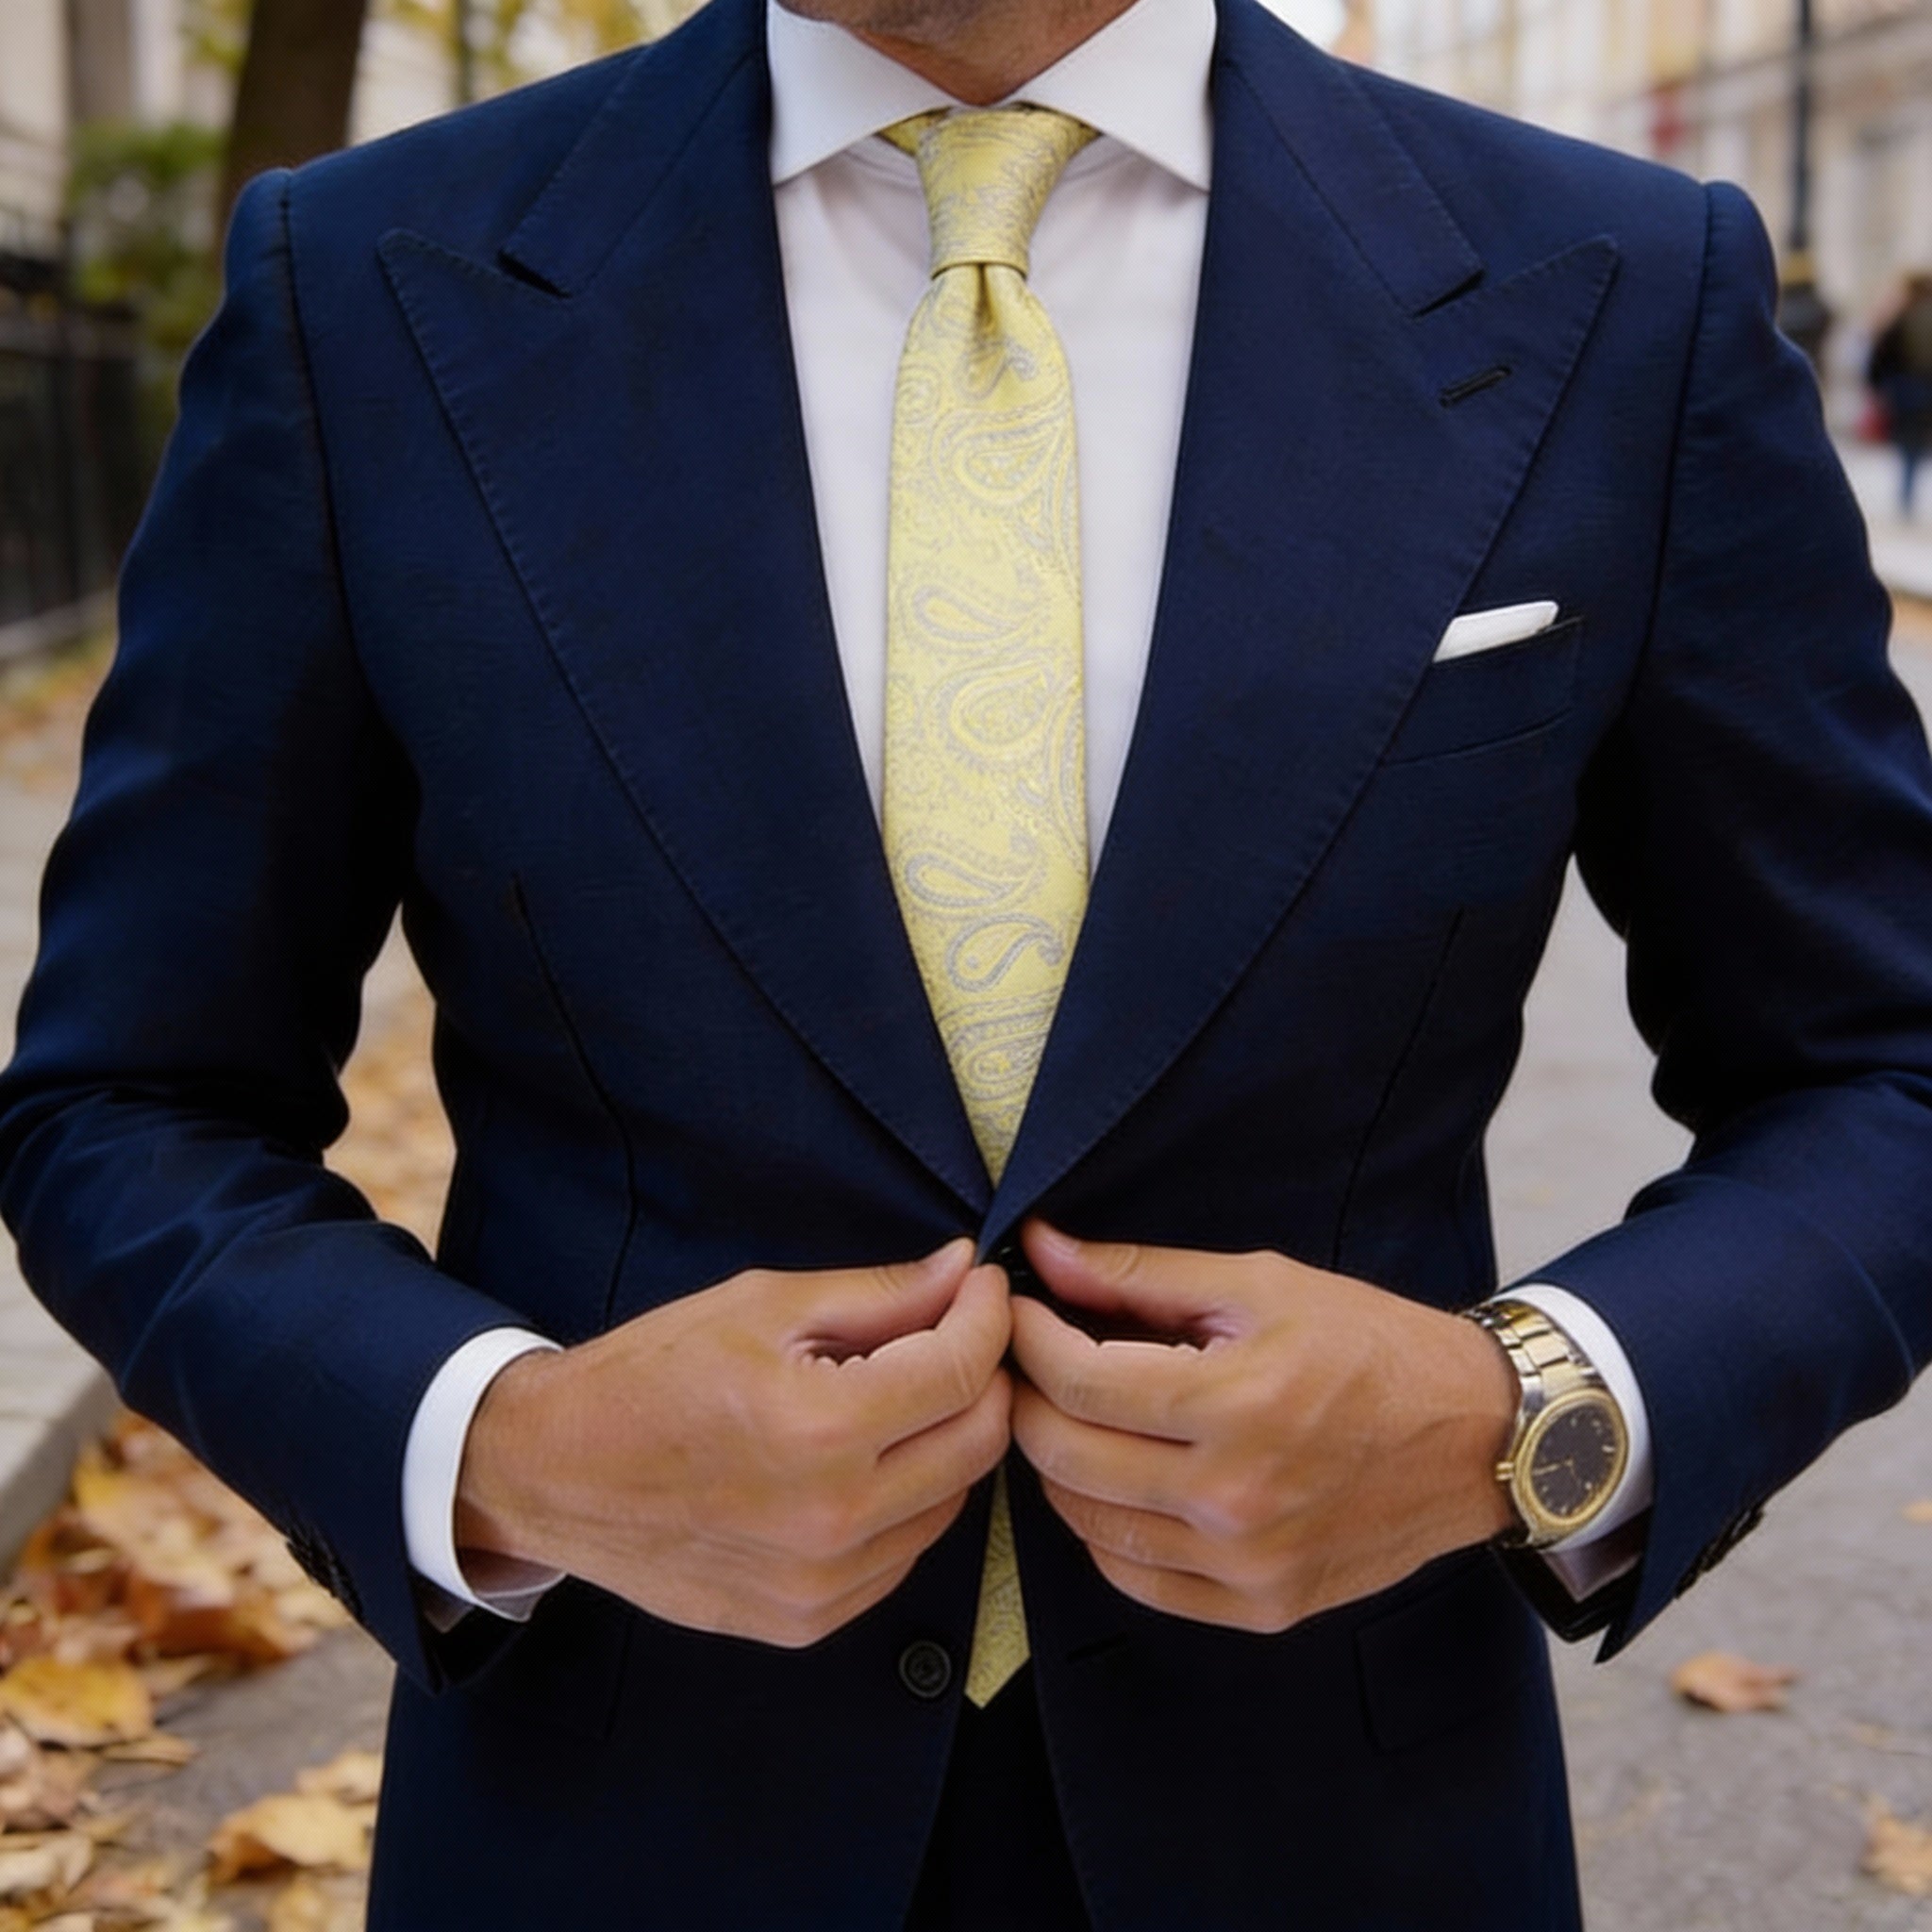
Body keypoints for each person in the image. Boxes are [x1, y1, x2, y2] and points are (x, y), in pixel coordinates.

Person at [4, 0, 1931, 1924]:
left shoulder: (1616, 286)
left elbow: (1879, 1068)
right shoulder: (364, 287)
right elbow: (129, 1098)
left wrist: (1524, 1419)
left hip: (1340, 1824)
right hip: (617, 1816)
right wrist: (506, 1443)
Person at [1870, 270, 1932, 517]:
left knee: (1908, 443)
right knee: (1917, 441)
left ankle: (1906, 492)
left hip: (1905, 390)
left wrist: (1876, 385)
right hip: (1926, 389)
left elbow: (1881, 356)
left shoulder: (1901, 317)